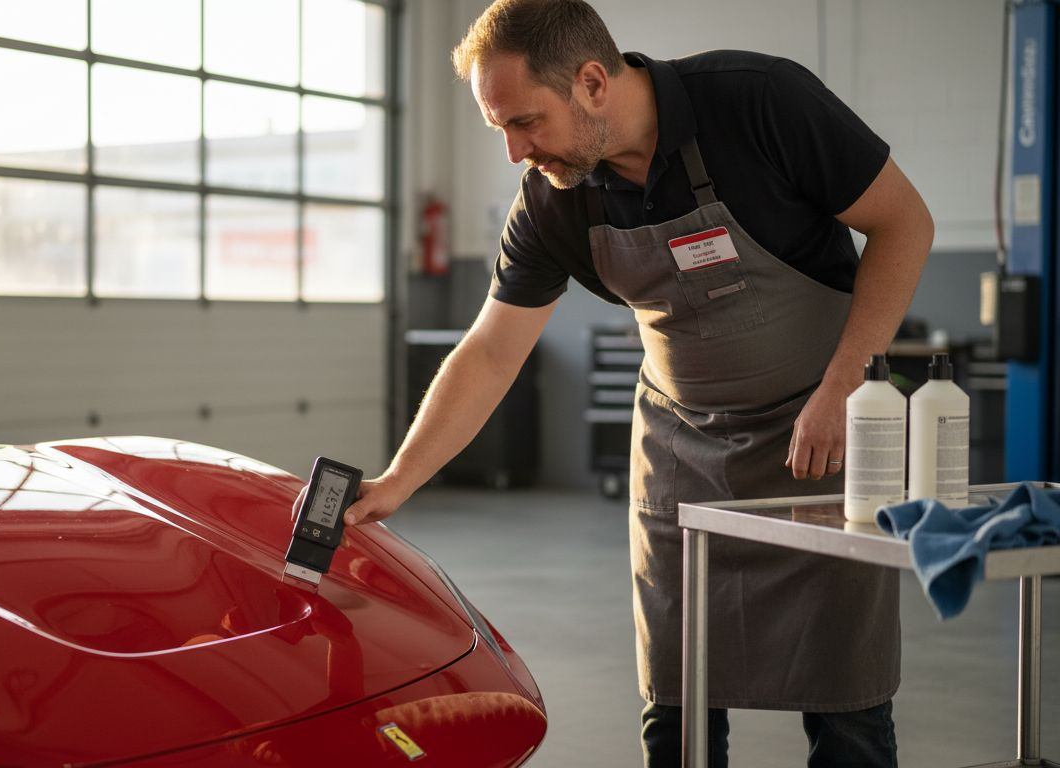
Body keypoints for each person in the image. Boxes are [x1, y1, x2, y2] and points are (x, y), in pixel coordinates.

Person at [339, 0, 933, 765]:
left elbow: (904, 222)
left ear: (592, 82)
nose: (516, 152)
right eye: (502, 131)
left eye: (526, 122)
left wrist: (845, 386)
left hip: (817, 436)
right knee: (677, 699)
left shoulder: (760, 101)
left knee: (845, 700)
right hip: (683, 455)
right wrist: (400, 477)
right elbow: (491, 351)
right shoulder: (554, 198)